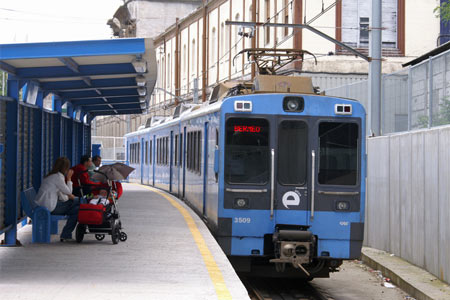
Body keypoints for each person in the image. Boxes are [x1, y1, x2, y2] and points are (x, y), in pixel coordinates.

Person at [34, 157, 79, 242]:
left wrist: (70, 197)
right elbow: (68, 191)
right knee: (78, 205)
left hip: (45, 205)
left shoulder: (52, 176)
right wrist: (69, 178)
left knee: (76, 209)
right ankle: (66, 234)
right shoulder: (58, 177)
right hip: (49, 207)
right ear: (65, 168)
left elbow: (63, 196)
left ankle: (66, 235)